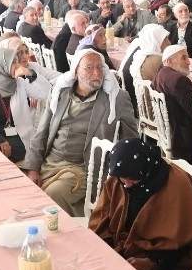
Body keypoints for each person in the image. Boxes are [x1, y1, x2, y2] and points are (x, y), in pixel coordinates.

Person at [23, 49, 138, 216]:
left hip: (83, 168)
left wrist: (126, 171)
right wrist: (32, 168)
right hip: (50, 163)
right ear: (76, 71)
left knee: (53, 195)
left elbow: (131, 140)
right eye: (89, 68)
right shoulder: (60, 93)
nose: (96, 72)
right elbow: (41, 133)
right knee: (23, 193)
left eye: (100, 67)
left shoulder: (117, 99)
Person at [89, 139, 192, 270]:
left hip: (165, 263)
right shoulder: (119, 178)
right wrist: (108, 250)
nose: (127, 185)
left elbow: (187, 241)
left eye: (133, 179)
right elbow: (101, 221)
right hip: (125, 252)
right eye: (122, 179)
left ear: (145, 170)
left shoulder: (176, 186)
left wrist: (154, 262)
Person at [0, 39, 57, 162]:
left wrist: (31, 74)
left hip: (18, 137)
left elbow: (46, 93)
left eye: (17, 61)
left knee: (4, 154)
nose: (18, 65)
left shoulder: (20, 83)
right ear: (2, 65)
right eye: (13, 62)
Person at [151, 44, 192, 162]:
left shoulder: (160, 74)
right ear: (169, 61)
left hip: (169, 130)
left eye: (188, 57)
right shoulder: (179, 80)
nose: (188, 62)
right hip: (183, 136)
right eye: (184, 58)